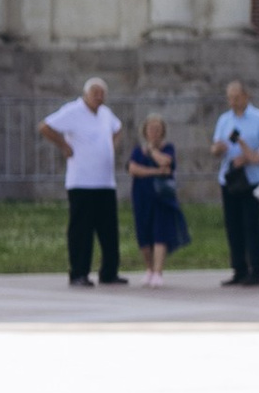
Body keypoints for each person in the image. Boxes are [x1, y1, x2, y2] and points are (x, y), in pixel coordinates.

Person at [40, 79, 126, 288]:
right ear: (86, 94)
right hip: (82, 182)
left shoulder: (105, 113)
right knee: (82, 230)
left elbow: (118, 128)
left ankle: (109, 272)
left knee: (109, 230)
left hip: (105, 182)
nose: (99, 97)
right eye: (95, 93)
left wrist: (111, 147)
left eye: (102, 93)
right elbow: (45, 126)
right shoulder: (73, 111)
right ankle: (79, 272)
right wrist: (64, 146)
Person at [211, 82, 259, 289]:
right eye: (230, 97)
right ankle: (239, 270)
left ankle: (255, 270)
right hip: (229, 178)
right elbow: (215, 146)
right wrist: (218, 148)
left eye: (236, 97)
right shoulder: (224, 119)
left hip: (252, 178)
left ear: (246, 96)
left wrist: (248, 158)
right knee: (233, 225)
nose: (233, 101)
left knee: (251, 224)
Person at [129, 114, 189, 287]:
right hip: (142, 196)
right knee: (144, 234)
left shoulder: (167, 147)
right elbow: (133, 169)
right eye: (151, 129)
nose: (154, 132)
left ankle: (158, 271)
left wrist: (152, 151)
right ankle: (149, 269)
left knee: (160, 232)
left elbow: (166, 162)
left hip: (162, 198)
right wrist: (155, 171)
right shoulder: (137, 150)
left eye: (157, 129)